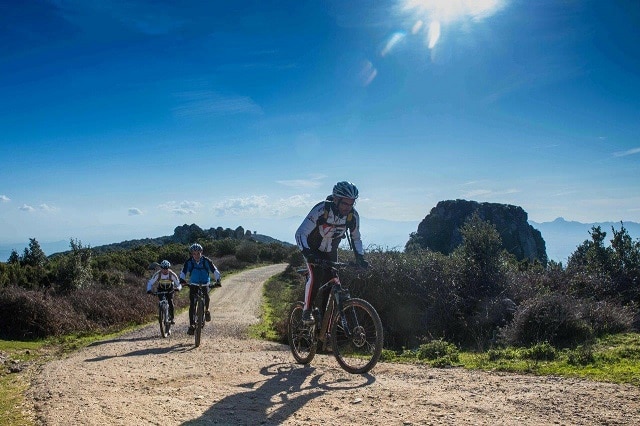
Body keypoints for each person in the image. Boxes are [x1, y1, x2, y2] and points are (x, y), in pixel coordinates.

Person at [295, 181, 369, 324]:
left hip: (330, 252)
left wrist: (360, 258)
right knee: (315, 276)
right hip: (312, 250)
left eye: (351, 204)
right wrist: (307, 254)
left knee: (332, 284)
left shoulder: (352, 216)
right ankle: (307, 311)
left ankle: (324, 329)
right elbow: (300, 233)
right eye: (345, 204)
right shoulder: (321, 210)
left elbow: (356, 238)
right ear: (336, 199)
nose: (348, 208)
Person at [179, 243, 222, 335]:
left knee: (206, 295)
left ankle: (207, 310)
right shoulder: (189, 261)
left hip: (205, 282)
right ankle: (192, 325)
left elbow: (214, 270)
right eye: (194, 253)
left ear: (201, 252)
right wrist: (182, 280)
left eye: (198, 253)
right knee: (192, 304)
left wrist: (218, 280)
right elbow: (183, 271)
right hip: (193, 283)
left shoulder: (206, 261)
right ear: (191, 254)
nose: (196, 256)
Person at [146, 260, 182, 324]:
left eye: (166, 268)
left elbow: (179, 284)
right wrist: (149, 290)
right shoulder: (158, 274)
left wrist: (178, 288)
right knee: (161, 301)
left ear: (168, 268)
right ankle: (161, 313)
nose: (165, 270)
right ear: (161, 268)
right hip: (161, 289)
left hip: (170, 289)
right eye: (163, 268)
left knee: (170, 301)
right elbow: (150, 282)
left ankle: (172, 318)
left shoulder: (172, 274)